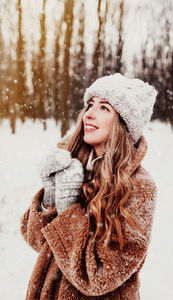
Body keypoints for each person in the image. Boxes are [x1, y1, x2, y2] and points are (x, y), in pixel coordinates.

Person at [20, 73, 158, 299]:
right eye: (90, 104)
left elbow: (100, 277)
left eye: (105, 108)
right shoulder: (72, 165)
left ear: (123, 124)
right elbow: (36, 240)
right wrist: (49, 197)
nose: (89, 114)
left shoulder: (139, 187)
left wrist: (68, 210)